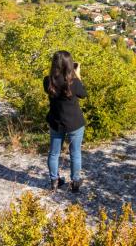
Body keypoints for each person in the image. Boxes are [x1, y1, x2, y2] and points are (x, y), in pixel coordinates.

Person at [44, 50, 87, 193]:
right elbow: (83, 94)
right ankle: (75, 182)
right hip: (74, 122)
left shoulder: (48, 80)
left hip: (56, 121)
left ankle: (54, 181)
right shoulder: (73, 82)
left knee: (54, 153)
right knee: (75, 153)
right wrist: (77, 75)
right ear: (70, 65)